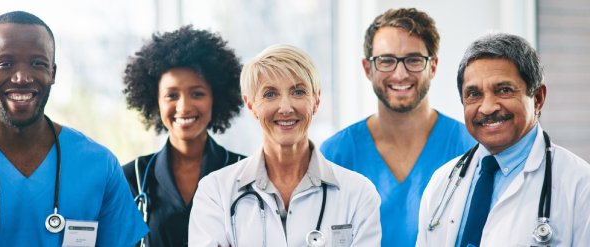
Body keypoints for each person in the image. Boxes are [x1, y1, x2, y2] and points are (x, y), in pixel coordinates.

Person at [0, 11, 147, 246]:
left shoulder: (98, 164)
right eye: (5, 64)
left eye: (37, 64)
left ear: (52, 73)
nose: (22, 77)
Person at [188, 44, 381, 246]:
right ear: (251, 105)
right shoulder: (215, 192)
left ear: (316, 100)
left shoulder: (358, 193)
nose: (286, 108)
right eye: (270, 94)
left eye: (298, 92)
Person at [320, 8, 475, 247]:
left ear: (432, 66)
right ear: (367, 68)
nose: (400, 74)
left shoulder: (469, 149)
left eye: (413, 60)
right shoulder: (335, 155)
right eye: (386, 61)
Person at [416, 33, 590, 246]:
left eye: (504, 90)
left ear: (537, 98)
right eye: (473, 94)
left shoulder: (581, 186)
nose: (488, 107)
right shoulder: (442, 183)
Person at [121, 26, 245, 247]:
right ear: (154, 100)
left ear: (215, 98)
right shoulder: (133, 178)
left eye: (197, 94)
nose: (184, 106)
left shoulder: (244, 172)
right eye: (172, 95)